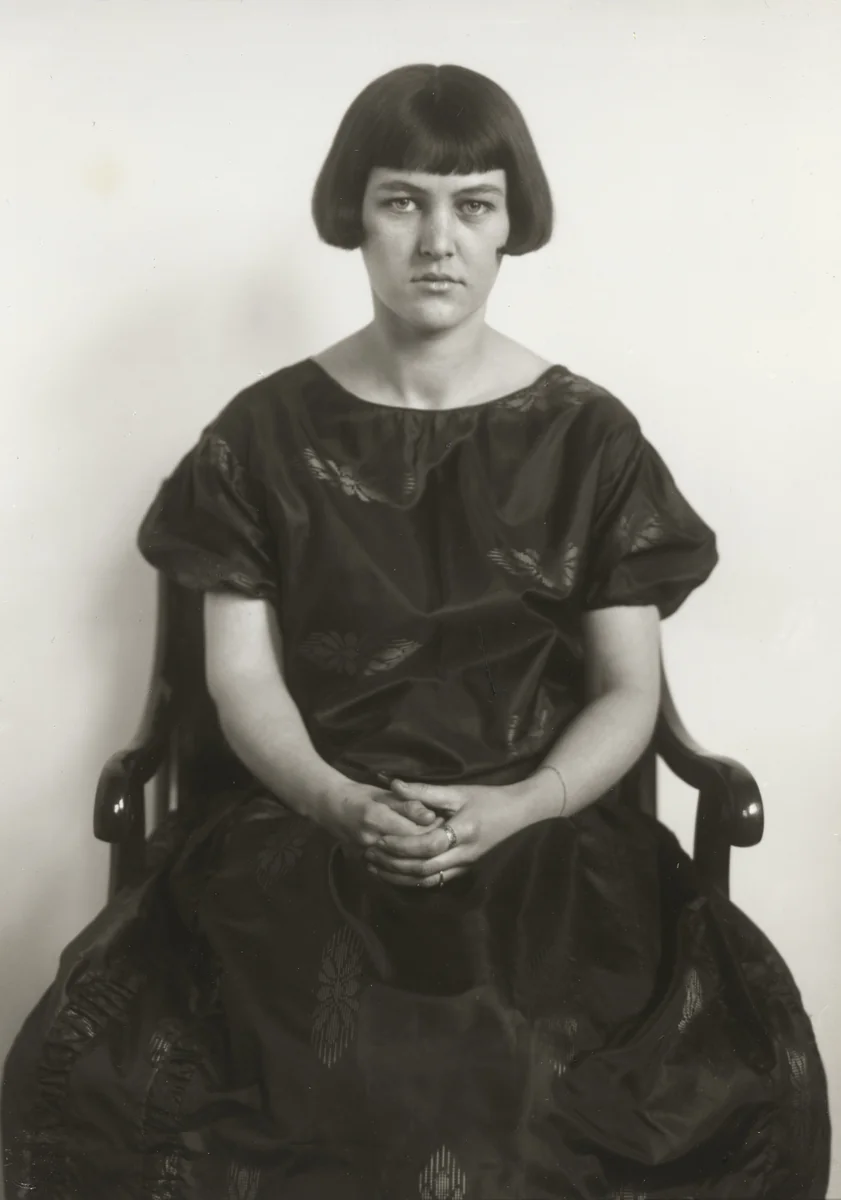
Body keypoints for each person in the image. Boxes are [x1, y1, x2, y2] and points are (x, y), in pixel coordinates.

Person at [2, 63, 830, 1200]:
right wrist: (341, 802)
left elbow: (626, 691)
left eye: (471, 204)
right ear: (355, 214)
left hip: (542, 837)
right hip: (307, 829)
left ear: (507, 228)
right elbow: (241, 686)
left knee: (524, 1070)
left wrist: (518, 804)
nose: (437, 239)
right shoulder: (259, 435)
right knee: (319, 1069)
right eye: (403, 201)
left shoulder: (590, 438)